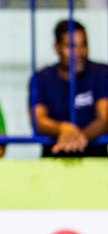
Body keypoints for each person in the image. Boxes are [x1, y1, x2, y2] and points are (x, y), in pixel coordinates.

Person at [30, 19, 108, 158]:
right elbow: (38, 121)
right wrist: (63, 128)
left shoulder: (101, 73)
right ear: (57, 47)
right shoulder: (42, 78)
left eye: (83, 45)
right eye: (71, 46)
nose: (79, 52)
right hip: (53, 162)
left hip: (97, 163)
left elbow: (104, 119)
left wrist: (77, 137)